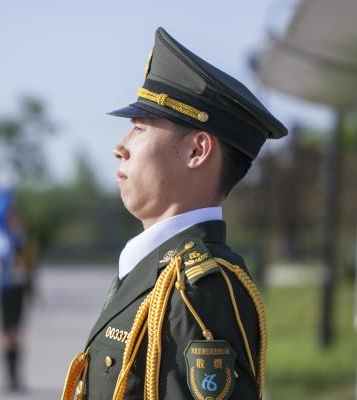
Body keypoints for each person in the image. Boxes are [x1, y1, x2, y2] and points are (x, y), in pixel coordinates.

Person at [61, 27, 287, 400]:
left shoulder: (198, 290)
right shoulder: (157, 271)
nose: (119, 146)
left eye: (138, 128)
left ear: (197, 151)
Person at [0, 188, 38, 392]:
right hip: (4, 289)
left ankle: (17, 377)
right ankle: (8, 378)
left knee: (17, 333)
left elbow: (31, 267)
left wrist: (32, 289)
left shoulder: (24, 242)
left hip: (18, 289)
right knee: (5, 334)